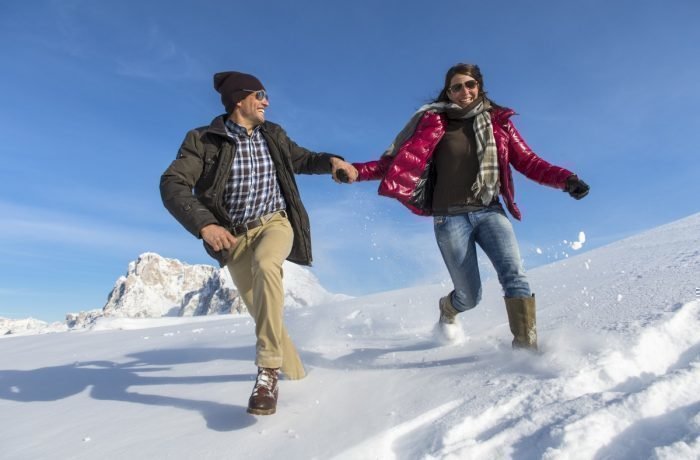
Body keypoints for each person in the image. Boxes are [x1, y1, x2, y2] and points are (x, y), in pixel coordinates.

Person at [347, 63, 589, 351]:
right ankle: (448, 309)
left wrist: (565, 179)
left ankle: (526, 352)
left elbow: (528, 161)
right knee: (469, 296)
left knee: (515, 276)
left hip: (489, 211)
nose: (465, 91)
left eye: (470, 84)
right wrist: (356, 171)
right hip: (450, 219)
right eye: (457, 86)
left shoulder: (499, 124)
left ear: (479, 86)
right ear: (448, 91)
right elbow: (394, 163)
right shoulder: (433, 122)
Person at [160, 71, 356, 415]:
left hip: (274, 223)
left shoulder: (273, 135)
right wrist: (205, 224)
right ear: (240, 99)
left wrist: (332, 162)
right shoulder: (202, 140)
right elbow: (173, 183)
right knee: (264, 314)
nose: (267, 101)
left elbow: (302, 159)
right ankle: (298, 376)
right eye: (260, 95)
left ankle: (267, 372)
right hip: (232, 238)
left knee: (267, 265)